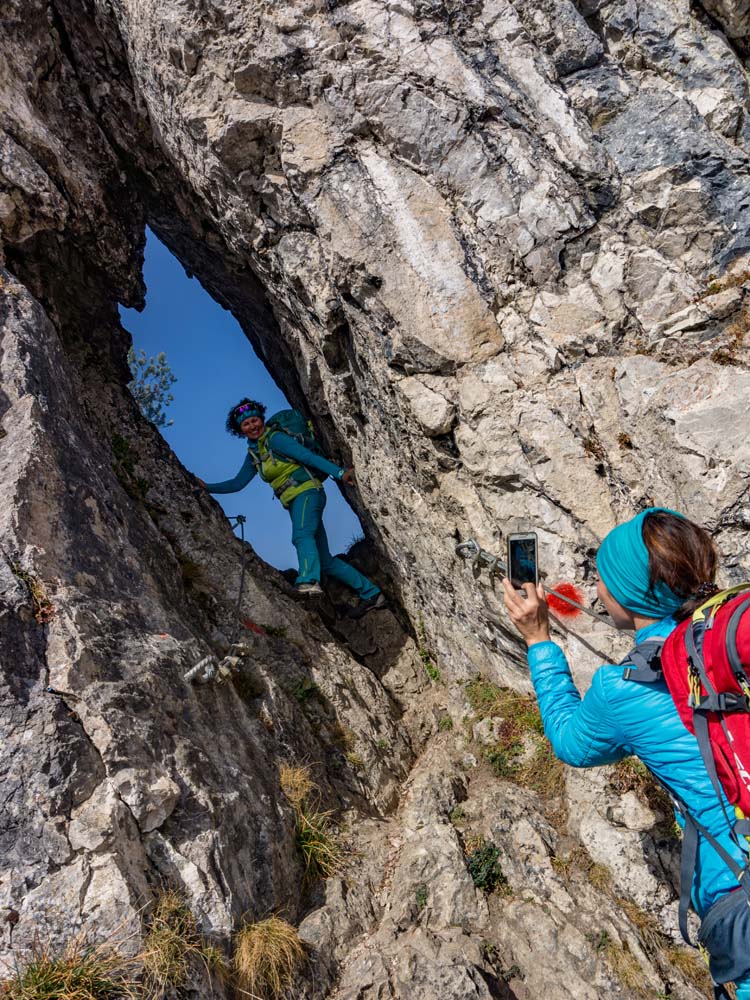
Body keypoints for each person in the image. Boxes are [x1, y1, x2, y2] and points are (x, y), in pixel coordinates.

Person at [502, 508, 750, 999]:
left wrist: (538, 640)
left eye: (604, 581)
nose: (597, 592)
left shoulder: (624, 690)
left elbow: (570, 742)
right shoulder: (728, 638)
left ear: (631, 594)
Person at [198, 398, 386, 619]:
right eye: (246, 423)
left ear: (261, 419)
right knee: (325, 561)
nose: (252, 426)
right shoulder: (255, 454)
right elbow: (237, 483)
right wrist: (206, 487)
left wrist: (339, 473)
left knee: (301, 536)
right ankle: (372, 593)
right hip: (294, 501)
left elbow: (307, 456)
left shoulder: (276, 439)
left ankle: (307, 581)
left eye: (254, 420)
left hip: (307, 493)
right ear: (240, 429)